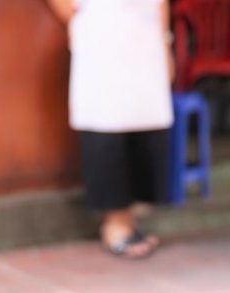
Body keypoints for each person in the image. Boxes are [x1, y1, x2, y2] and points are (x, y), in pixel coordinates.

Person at [48, 0, 174, 259]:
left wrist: (165, 41)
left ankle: (129, 220)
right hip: (102, 35)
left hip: (145, 35)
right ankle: (114, 224)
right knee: (106, 126)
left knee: (143, 123)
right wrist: (74, 17)